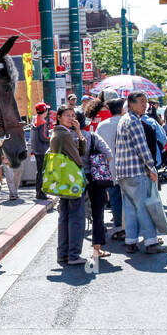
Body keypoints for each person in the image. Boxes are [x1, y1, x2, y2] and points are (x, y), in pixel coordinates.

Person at [113, 91, 166, 254]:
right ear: (131, 104)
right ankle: (151, 242)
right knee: (143, 207)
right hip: (136, 170)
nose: (145, 104)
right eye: (141, 101)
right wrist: (152, 168)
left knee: (130, 208)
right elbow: (142, 148)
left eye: (146, 101)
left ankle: (131, 240)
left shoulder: (123, 120)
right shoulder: (134, 121)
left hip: (123, 171)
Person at [50, 105, 88, 265]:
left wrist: (78, 133)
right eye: (67, 115)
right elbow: (79, 157)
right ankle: (73, 254)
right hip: (72, 179)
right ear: (59, 117)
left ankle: (63, 253)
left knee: (65, 217)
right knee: (77, 217)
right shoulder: (64, 135)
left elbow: (80, 151)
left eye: (73, 115)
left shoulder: (58, 133)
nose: (72, 118)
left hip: (62, 180)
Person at [95, 97, 126, 237]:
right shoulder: (127, 122)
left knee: (114, 198)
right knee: (129, 199)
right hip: (128, 168)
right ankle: (130, 226)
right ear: (122, 109)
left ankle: (119, 225)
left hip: (109, 168)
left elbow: (97, 148)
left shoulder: (102, 125)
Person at [83, 123, 113, 261]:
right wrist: (97, 165)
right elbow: (109, 154)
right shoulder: (92, 136)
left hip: (74, 178)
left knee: (74, 215)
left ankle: (72, 250)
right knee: (98, 214)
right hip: (95, 177)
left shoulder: (64, 136)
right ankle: (97, 249)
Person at [30, 102, 51, 201]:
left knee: (39, 172)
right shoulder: (42, 121)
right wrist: (52, 137)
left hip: (36, 149)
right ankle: (41, 193)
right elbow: (44, 137)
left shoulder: (35, 119)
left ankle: (39, 191)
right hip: (42, 150)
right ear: (44, 111)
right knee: (42, 172)